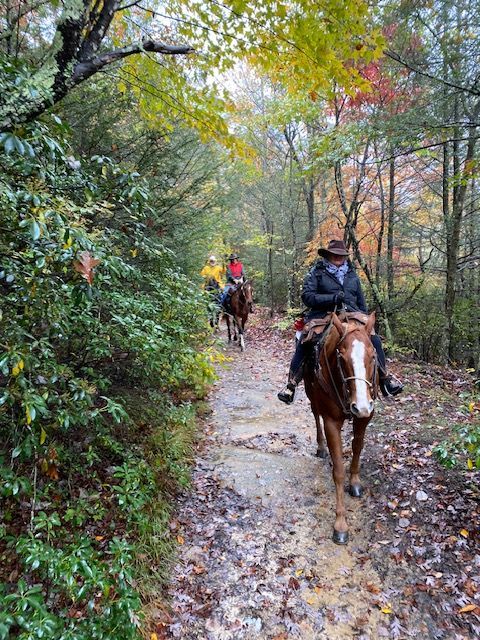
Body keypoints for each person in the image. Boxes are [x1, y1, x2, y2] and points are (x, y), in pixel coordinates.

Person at [277, 239, 403, 404]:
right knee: (306, 341)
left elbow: (361, 302)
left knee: (374, 340)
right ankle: (291, 384)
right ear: (328, 255)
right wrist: (332, 298)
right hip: (323, 314)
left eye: (341, 255)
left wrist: (363, 321)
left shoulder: (352, 275)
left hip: (353, 315)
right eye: (334, 255)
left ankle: (385, 378)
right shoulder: (316, 273)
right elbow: (307, 297)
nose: (338, 258)